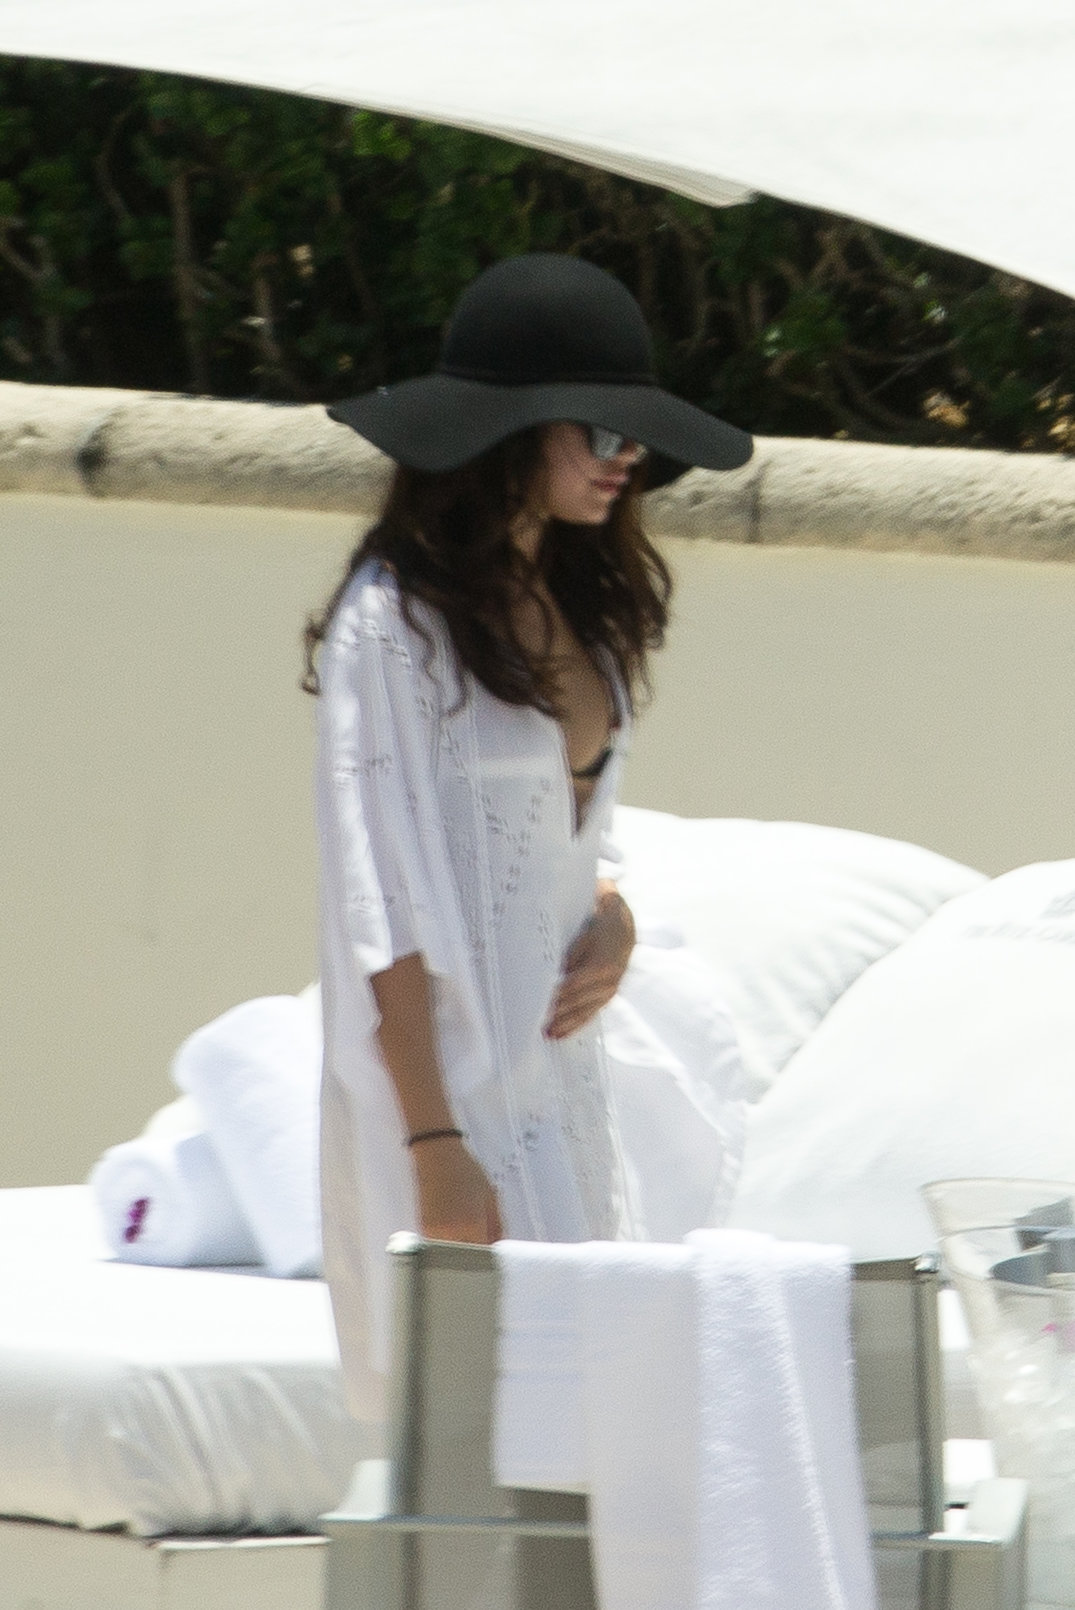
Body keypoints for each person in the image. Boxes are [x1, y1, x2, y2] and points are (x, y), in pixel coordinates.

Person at [305, 253, 752, 1420]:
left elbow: (551, 845)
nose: (626, 456)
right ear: (507, 432)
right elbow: (378, 902)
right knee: (480, 1444)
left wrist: (611, 914)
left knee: (586, 1441)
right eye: (599, 428)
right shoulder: (391, 628)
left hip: (560, 1087)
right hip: (446, 1095)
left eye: (635, 434)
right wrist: (434, 1140)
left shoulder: (582, 607)